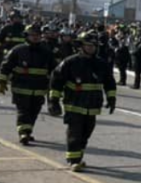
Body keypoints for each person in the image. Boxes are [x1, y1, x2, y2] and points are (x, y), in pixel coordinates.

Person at [47, 31, 116, 172]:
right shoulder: (70, 62)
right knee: (75, 133)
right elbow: (57, 81)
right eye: (88, 45)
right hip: (74, 104)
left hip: (92, 106)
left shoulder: (101, 64)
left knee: (86, 133)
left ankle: (78, 156)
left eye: (94, 46)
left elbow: (109, 82)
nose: (91, 48)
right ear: (81, 46)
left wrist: (111, 98)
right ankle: (74, 160)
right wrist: (53, 100)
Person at [0, 24, 57, 145]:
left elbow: (55, 71)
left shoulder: (47, 52)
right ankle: (23, 133)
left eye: (38, 35)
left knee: (34, 112)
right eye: (32, 35)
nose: (35, 37)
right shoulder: (18, 50)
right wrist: (2, 80)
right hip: (21, 88)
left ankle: (28, 130)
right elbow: (6, 67)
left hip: (39, 89)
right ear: (26, 36)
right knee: (23, 111)